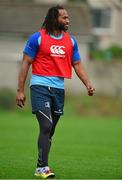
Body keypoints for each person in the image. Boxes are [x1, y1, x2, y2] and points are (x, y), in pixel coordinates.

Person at [16, 5, 95, 179]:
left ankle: (39, 166)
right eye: (64, 18)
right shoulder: (37, 38)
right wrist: (20, 90)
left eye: (68, 17)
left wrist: (87, 83)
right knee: (46, 125)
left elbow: (77, 64)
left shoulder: (71, 41)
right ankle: (43, 168)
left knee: (50, 131)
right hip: (39, 87)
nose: (68, 20)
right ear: (54, 18)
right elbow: (25, 63)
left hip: (59, 89)